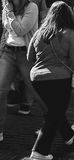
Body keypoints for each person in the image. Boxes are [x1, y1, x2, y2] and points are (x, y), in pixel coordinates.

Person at [27, 0, 74, 160]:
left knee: (54, 110)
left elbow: (29, 57)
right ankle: (40, 150)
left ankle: (68, 135)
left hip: (37, 78)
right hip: (59, 79)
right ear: (68, 15)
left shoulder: (40, 32)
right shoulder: (69, 33)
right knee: (55, 113)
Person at [0, 0, 38, 142]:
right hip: (8, 53)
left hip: (26, 54)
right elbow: (6, 31)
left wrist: (9, 12)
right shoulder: (6, 6)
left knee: (38, 91)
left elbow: (21, 30)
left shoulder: (31, 7)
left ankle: (57, 126)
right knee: (0, 91)